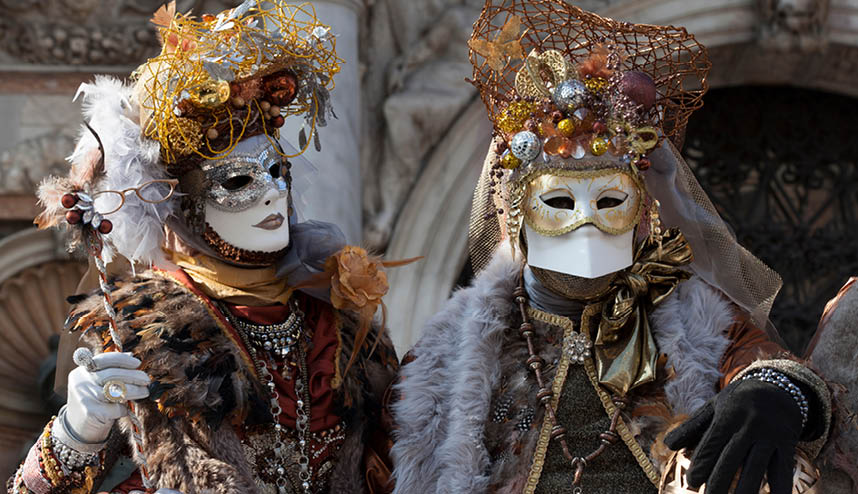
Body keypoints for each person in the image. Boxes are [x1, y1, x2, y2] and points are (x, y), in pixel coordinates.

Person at [390, 1, 832, 493]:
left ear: (644, 212)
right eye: (558, 199)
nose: (586, 220)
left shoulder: (697, 321)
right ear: (514, 213)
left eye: (610, 199)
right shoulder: (446, 352)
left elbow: (765, 362)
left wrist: (772, 391)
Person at [10, 2, 398, 493]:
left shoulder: (343, 330)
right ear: (187, 204)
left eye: (279, 173)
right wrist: (78, 433)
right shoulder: (139, 332)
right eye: (238, 180)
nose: (272, 193)